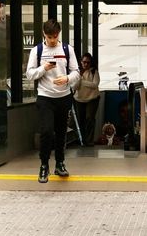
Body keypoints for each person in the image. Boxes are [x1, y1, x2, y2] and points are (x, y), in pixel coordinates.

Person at [25, 19, 79, 183]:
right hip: (45, 97)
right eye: (50, 37)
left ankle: (60, 163)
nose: (53, 40)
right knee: (46, 131)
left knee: (61, 132)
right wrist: (44, 68)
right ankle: (44, 165)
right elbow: (29, 74)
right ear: (44, 34)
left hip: (63, 97)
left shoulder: (67, 49)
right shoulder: (37, 51)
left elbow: (76, 72)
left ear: (59, 34)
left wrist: (67, 79)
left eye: (55, 36)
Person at [74, 52, 100, 146]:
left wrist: (82, 81)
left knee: (89, 118)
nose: (86, 64)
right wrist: (79, 78)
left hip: (92, 98)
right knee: (80, 120)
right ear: (81, 62)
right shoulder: (77, 73)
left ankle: (89, 141)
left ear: (91, 63)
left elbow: (94, 85)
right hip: (79, 99)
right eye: (84, 62)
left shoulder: (94, 72)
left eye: (88, 62)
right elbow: (75, 87)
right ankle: (81, 140)